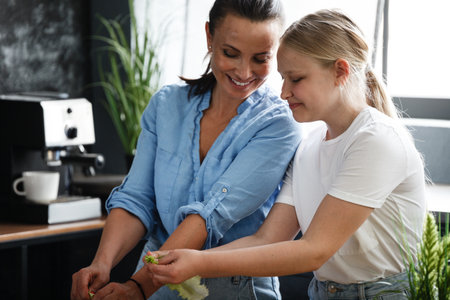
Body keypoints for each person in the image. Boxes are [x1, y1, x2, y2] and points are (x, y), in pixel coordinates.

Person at [146, 9, 427, 300]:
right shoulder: (309, 146)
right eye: (282, 78)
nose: (283, 92)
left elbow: (314, 251)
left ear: (340, 72)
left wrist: (199, 262)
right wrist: (185, 258)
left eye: (296, 79)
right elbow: (267, 239)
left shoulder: (376, 140)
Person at [71, 0, 301, 299]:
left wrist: (139, 286)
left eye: (261, 58)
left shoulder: (278, 125)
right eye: (230, 53)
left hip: (232, 290)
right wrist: (102, 264)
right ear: (209, 37)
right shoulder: (167, 105)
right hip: (155, 285)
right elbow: (137, 199)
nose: (244, 72)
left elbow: (210, 216)